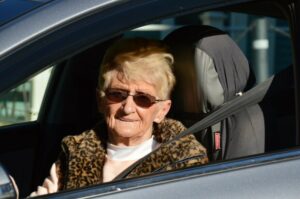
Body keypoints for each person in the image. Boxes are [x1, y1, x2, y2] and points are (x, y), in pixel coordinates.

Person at [29, 38, 208, 196]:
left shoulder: (185, 164)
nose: (128, 108)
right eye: (117, 94)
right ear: (100, 101)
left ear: (162, 110)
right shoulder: (75, 153)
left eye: (143, 98)